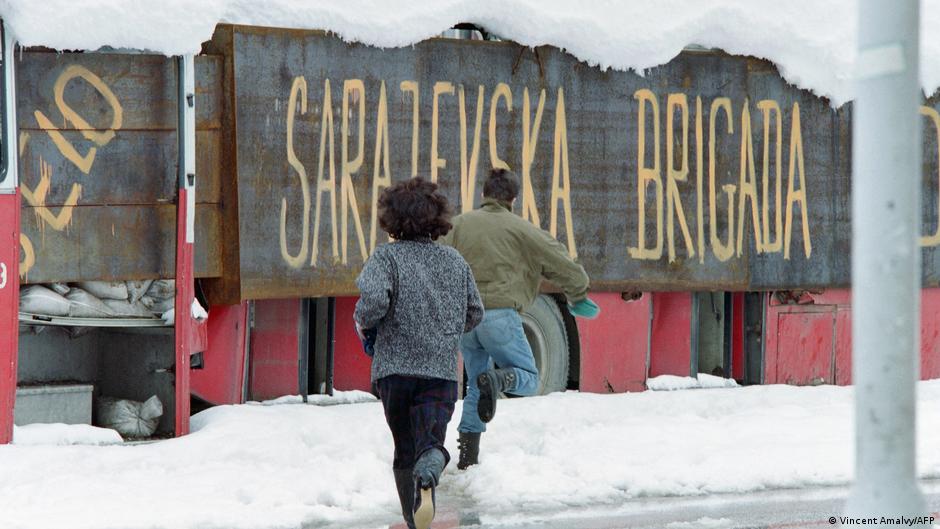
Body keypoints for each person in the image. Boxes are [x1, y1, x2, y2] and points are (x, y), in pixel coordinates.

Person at [440, 168, 599, 470]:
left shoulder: (457, 226)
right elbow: (561, 263)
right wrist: (578, 294)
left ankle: (467, 459)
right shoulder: (522, 229)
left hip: (465, 319)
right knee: (529, 378)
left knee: (476, 385)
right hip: (500, 316)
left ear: (483, 194)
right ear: (513, 199)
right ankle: (499, 379)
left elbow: (435, 258)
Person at [354, 177, 484, 529]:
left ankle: (413, 520)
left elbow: (373, 304)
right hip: (440, 372)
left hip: (394, 371)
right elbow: (474, 313)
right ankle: (432, 465)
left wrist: (366, 325)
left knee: (405, 449)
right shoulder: (455, 262)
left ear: (391, 220)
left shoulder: (386, 257)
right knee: (430, 442)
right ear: (436, 218)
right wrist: (443, 329)